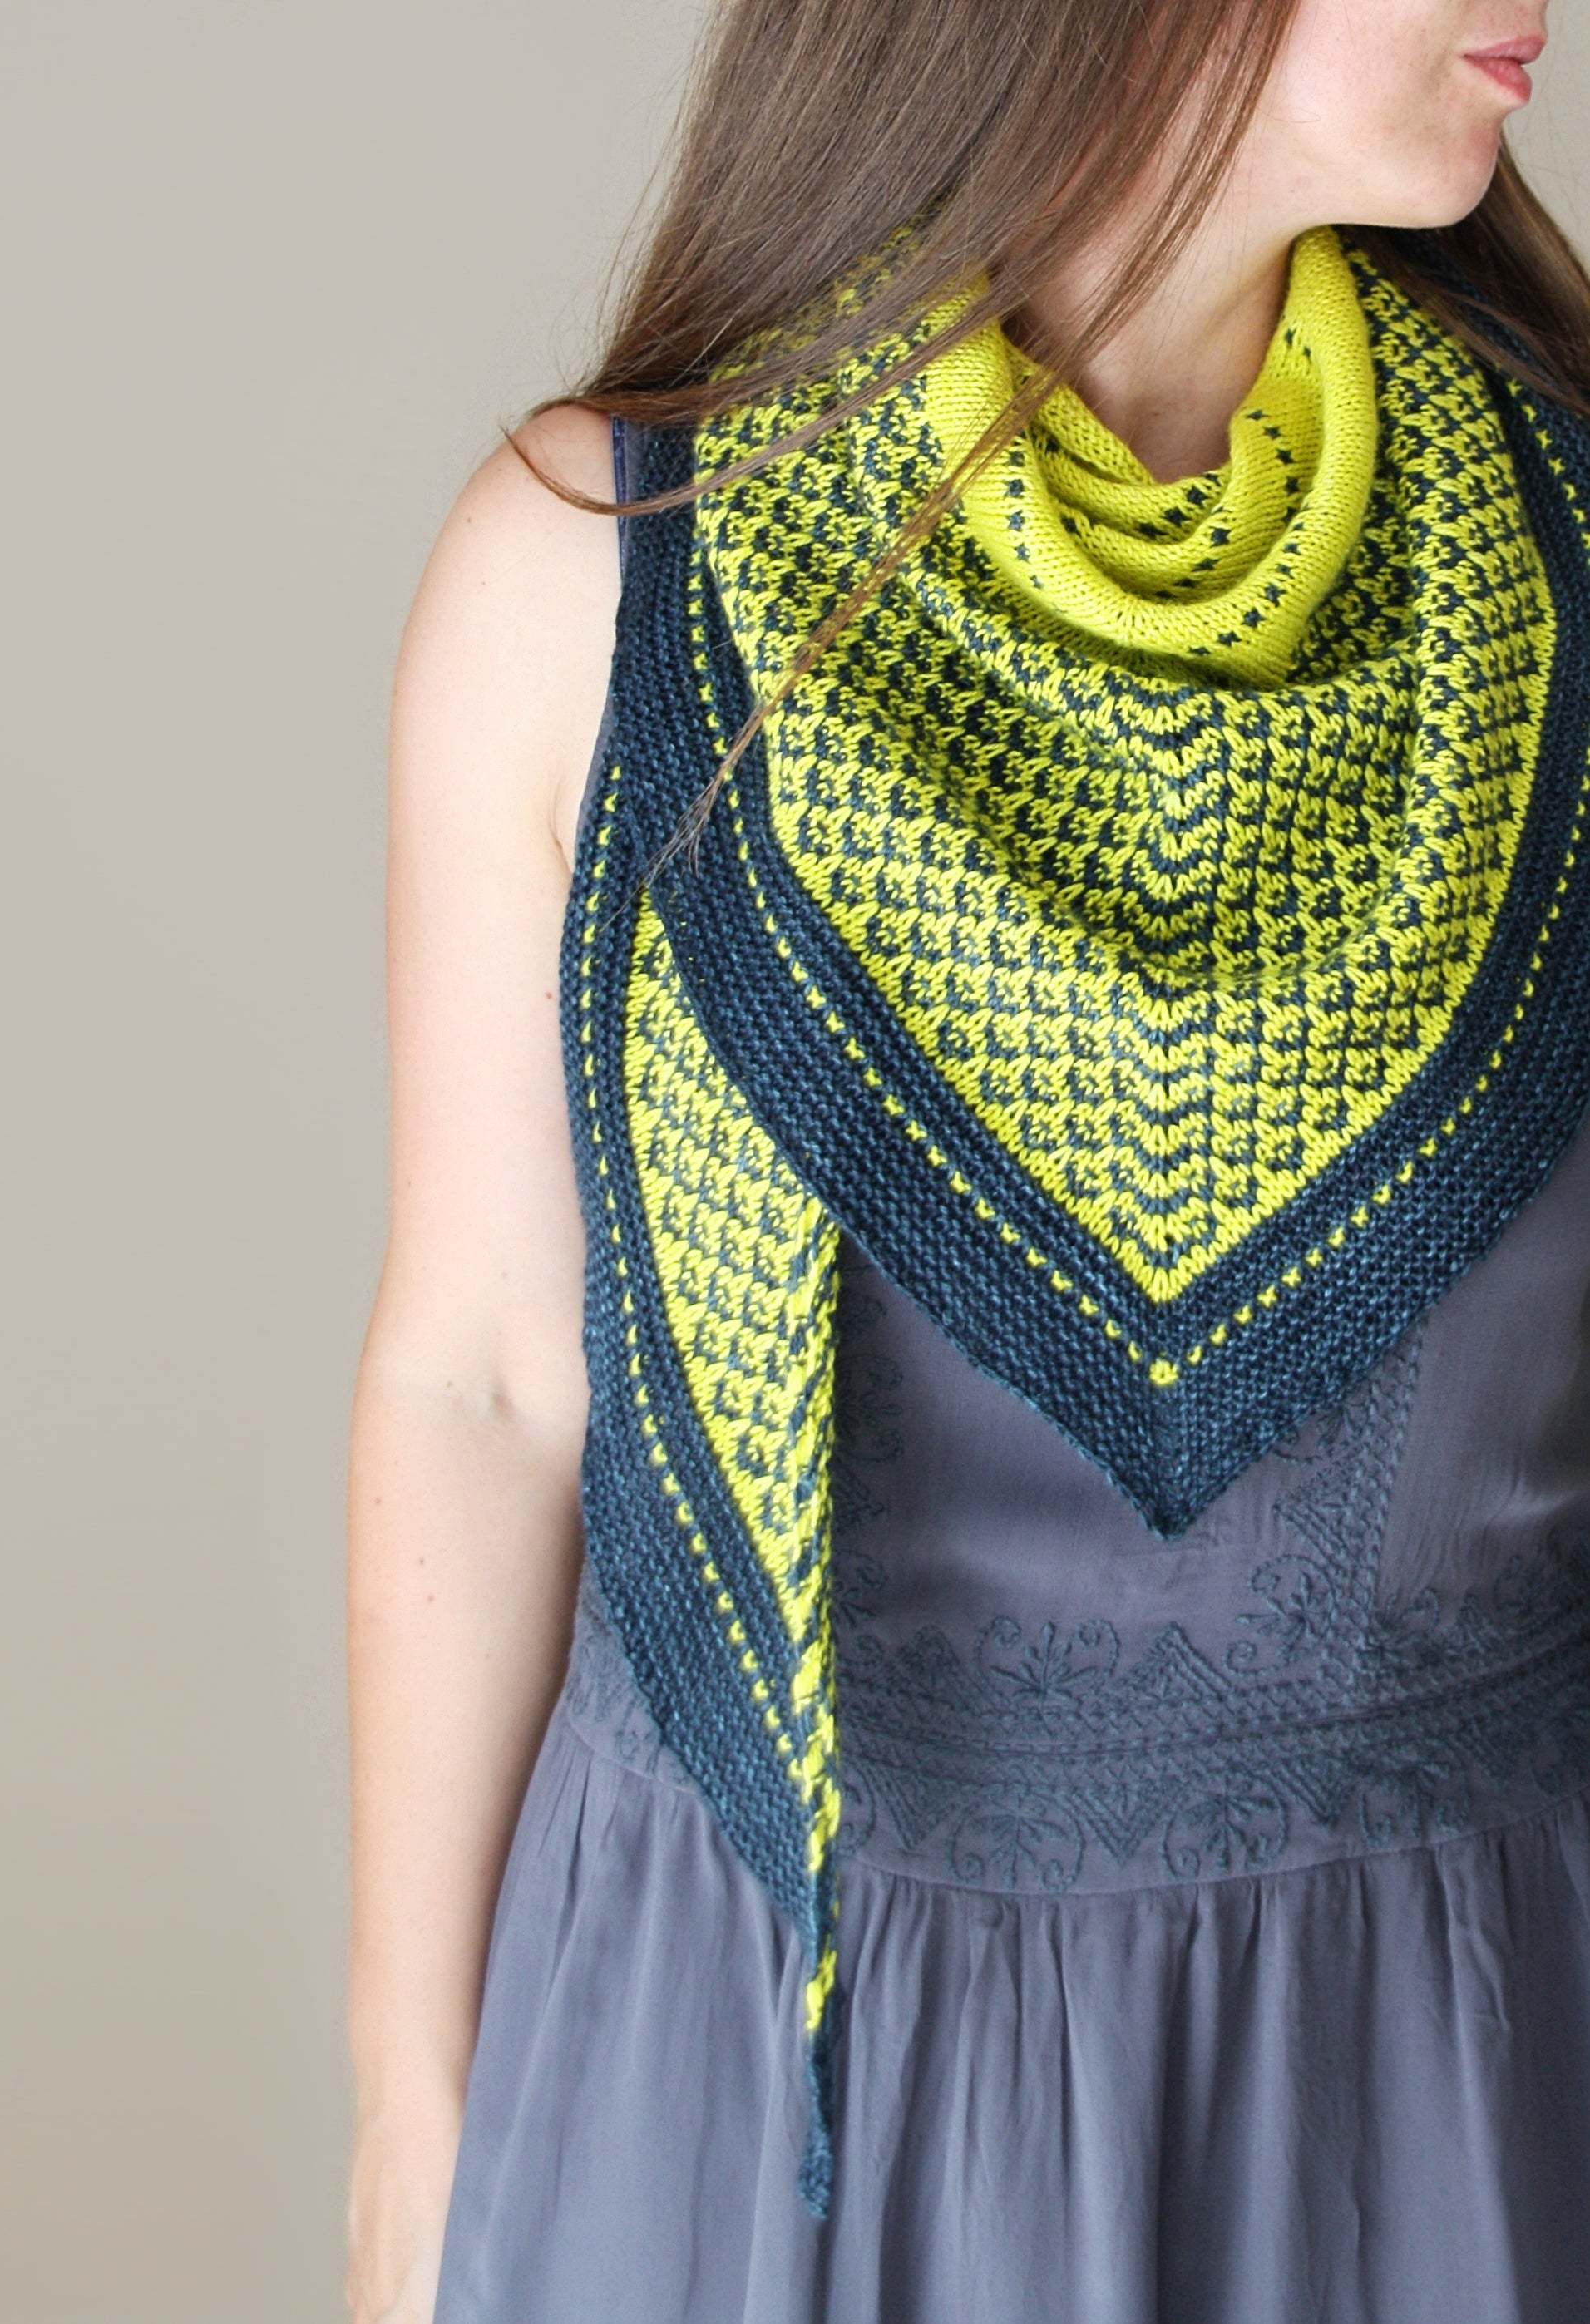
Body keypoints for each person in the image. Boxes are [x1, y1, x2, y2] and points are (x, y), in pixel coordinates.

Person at [345, 0, 1590, 2316]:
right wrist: (414, 2108)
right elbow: (488, 1379)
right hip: (775, 2072)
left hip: (1446, 2074)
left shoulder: (1568, 562)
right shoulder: (604, 577)